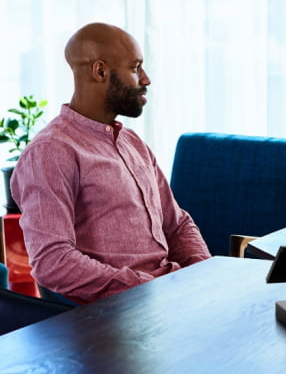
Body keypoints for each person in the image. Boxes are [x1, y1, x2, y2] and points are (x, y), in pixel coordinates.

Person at [11, 22, 211, 304]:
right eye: (135, 68)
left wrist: (204, 275)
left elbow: (177, 224)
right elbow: (53, 261)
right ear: (100, 71)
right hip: (116, 315)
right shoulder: (51, 151)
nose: (146, 79)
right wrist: (147, 288)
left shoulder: (133, 143)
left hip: (168, 297)